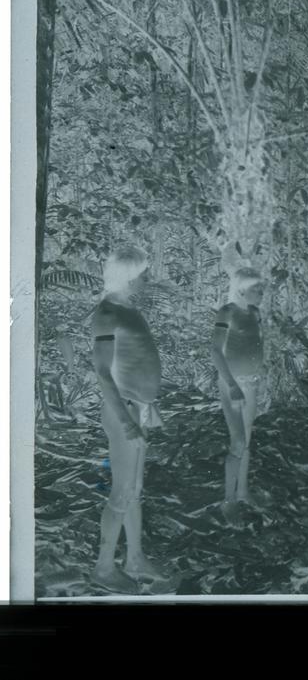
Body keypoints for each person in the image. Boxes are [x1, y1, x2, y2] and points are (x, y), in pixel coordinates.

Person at [90, 246, 168, 593]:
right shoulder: (107, 312)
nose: (148, 279)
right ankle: (104, 568)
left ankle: (134, 558)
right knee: (121, 491)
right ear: (128, 275)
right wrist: (125, 420)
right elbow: (104, 373)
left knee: (135, 489)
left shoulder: (128, 309)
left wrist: (148, 406)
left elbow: (136, 361)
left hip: (140, 407)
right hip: (122, 409)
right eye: (144, 273)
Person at [211, 266, 268, 523]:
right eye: (256, 288)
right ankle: (229, 501)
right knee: (237, 441)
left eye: (262, 288)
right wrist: (232, 385)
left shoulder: (255, 313)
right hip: (232, 385)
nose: (261, 292)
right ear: (242, 288)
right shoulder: (227, 312)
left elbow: (255, 346)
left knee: (247, 439)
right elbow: (215, 350)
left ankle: (243, 492)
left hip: (252, 384)